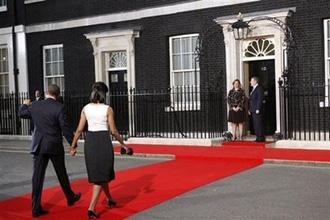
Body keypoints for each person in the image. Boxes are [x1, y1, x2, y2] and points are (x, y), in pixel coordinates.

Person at [19, 84, 81, 218]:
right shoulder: (59, 107)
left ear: (47, 92)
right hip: (54, 145)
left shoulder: (35, 105)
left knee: (37, 177)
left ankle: (35, 209)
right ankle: (70, 197)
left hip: (40, 145)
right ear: (57, 95)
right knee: (61, 173)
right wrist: (73, 145)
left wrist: (24, 104)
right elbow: (65, 128)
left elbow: (22, 114)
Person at [70, 82, 129, 219]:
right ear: (104, 94)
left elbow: (79, 130)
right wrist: (123, 144)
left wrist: (73, 146)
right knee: (101, 175)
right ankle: (91, 209)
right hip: (103, 141)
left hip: (90, 142)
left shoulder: (85, 108)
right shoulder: (108, 109)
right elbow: (113, 131)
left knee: (101, 173)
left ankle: (110, 199)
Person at [248, 76, 265, 142]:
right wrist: (250, 109)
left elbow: (260, 99)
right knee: (255, 124)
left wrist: (258, 108)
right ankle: (258, 137)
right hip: (253, 109)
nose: (250, 82)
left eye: (251, 81)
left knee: (258, 123)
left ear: (255, 81)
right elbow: (251, 100)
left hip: (257, 110)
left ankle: (261, 137)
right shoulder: (253, 88)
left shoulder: (259, 88)